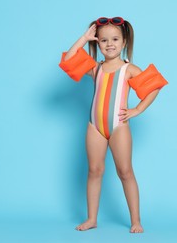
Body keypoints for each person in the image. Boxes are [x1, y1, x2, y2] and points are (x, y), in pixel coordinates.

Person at [59, 17, 168, 233]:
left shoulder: (128, 69)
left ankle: (136, 220)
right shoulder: (95, 68)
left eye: (115, 39)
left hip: (119, 126)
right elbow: (68, 61)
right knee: (94, 170)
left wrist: (137, 109)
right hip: (95, 127)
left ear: (124, 42)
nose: (110, 44)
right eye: (103, 40)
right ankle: (92, 219)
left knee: (125, 171)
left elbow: (154, 85)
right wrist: (84, 38)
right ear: (97, 43)